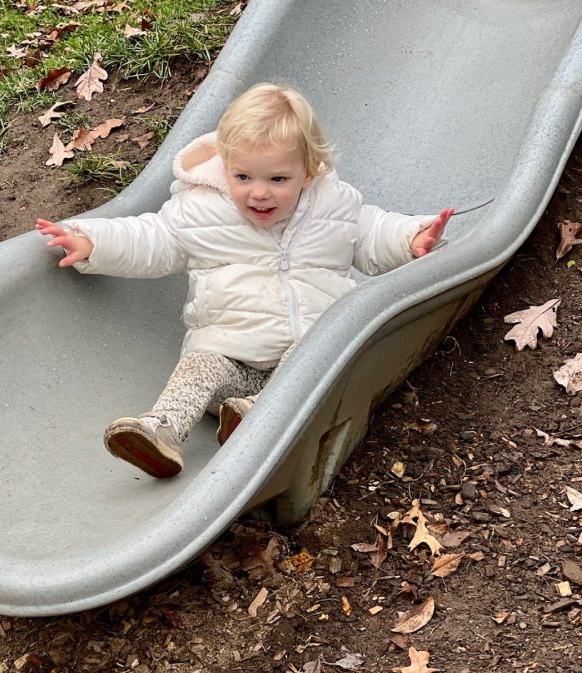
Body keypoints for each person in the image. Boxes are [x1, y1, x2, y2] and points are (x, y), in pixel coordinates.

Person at [36, 83, 453, 479]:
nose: (259, 193)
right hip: (233, 362)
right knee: (202, 361)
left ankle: (259, 414)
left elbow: (372, 232)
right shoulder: (200, 210)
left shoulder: (333, 205)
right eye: (243, 178)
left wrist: (410, 238)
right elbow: (151, 237)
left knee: (314, 349)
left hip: (313, 365)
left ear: (308, 172)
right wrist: (92, 242)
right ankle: (162, 429)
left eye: (277, 180)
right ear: (226, 166)